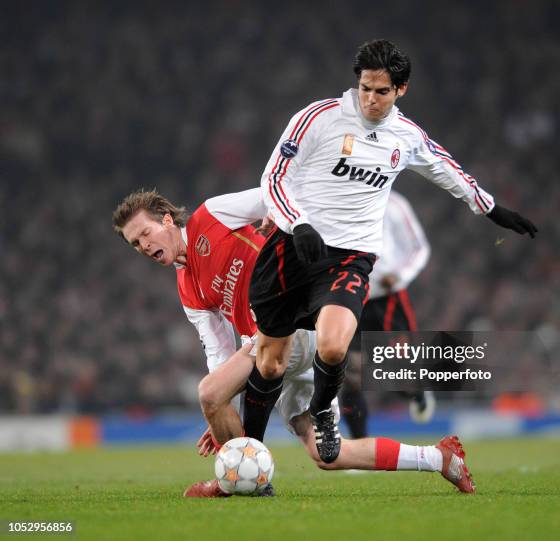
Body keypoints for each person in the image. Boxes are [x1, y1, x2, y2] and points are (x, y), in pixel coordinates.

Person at [245, 39, 537, 464]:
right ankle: (249, 453)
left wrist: (491, 208)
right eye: (365, 87)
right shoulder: (317, 118)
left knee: (332, 345)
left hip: (352, 256)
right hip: (293, 246)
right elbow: (274, 177)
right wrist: (298, 221)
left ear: (401, 90)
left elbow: (447, 169)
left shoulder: (406, 135)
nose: (370, 98)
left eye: (381, 91)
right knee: (270, 363)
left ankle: (324, 410)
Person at [112, 188, 476, 497]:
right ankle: (439, 458)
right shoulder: (187, 287)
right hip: (268, 350)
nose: (143, 246)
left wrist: (277, 216)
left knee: (209, 392)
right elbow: (218, 351)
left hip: (293, 326)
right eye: (134, 244)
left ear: (166, 220)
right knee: (328, 455)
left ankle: (238, 483)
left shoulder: (214, 215)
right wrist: (221, 412)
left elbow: (273, 193)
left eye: (145, 233)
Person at [341, 190, 434, 439]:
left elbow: (419, 248)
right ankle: (358, 445)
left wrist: (400, 275)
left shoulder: (394, 204)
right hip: (348, 297)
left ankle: (416, 392)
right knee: (349, 373)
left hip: (387, 299)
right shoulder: (336, 198)